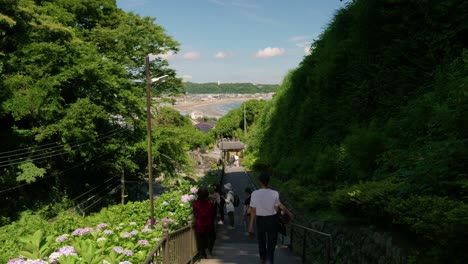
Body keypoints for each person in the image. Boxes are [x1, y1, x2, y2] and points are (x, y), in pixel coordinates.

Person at [249, 172, 280, 264]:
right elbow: (276, 209)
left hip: (260, 220)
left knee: (261, 241)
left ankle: (263, 259)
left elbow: (253, 211)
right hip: (272, 220)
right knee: (271, 244)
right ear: (268, 181)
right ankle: (269, 261)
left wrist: (250, 225)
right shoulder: (275, 193)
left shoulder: (254, 193)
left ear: (260, 181)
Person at [193, 186, 216, 259]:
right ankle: (208, 251)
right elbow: (213, 214)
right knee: (211, 237)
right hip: (208, 224)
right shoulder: (209, 204)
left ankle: (201, 254)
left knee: (201, 239)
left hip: (199, 224)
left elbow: (195, 213)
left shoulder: (195, 203)